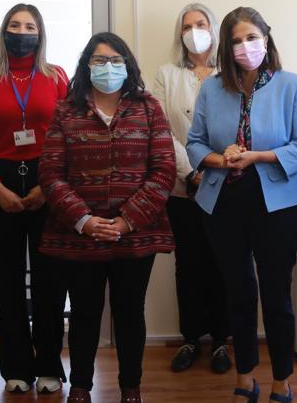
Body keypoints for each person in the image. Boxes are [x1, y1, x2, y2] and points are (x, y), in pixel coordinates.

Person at [186, 6, 297, 403]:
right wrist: (220, 158)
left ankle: (281, 381)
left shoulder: (293, 85)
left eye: (252, 38)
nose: (245, 47)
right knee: (238, 292)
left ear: (266, 39)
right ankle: (245, 377)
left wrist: (256, 156)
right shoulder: (212, 87)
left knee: (276, 294)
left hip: (277, 205)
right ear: (226, 48)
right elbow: (195, 143)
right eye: (236, 41)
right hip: (223, 203)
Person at [39, 32, 175, 403]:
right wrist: (83, 220)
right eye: (99, 60)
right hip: (80, 235)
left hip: (135, 235)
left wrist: (127, 219)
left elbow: (164, 170)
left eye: (116, 60)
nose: (108, 67)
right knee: (84, 313)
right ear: (87, 66)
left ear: (128, 66)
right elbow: (50, 174)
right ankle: (80, 387)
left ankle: (131, 387)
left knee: (130, 313)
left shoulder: (149, 108)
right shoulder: (66, 111)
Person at [0, 3, 69, 394]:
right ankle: (16, 367)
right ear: (3, 32)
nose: (21, 32)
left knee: (49, 280)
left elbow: (68, 134)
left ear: (40, 34)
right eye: (14, 25)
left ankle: (49, 365)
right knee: (7, 280)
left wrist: (48, 187)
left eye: (29, 26)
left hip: (48, 180)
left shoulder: (57, 76)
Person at [152, 3, 232, 375]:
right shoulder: (166, 75)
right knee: (188, 265)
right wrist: (192, 169)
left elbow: (238, 125)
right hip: (183, 187)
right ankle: (190, 338)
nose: (194, 31)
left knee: (222, 263)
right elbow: (161, 130)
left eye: (201, 24)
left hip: (226, 184)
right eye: (187, 26)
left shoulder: (230, 74)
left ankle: (221, 340)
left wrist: (214, 169)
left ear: (214, 29)